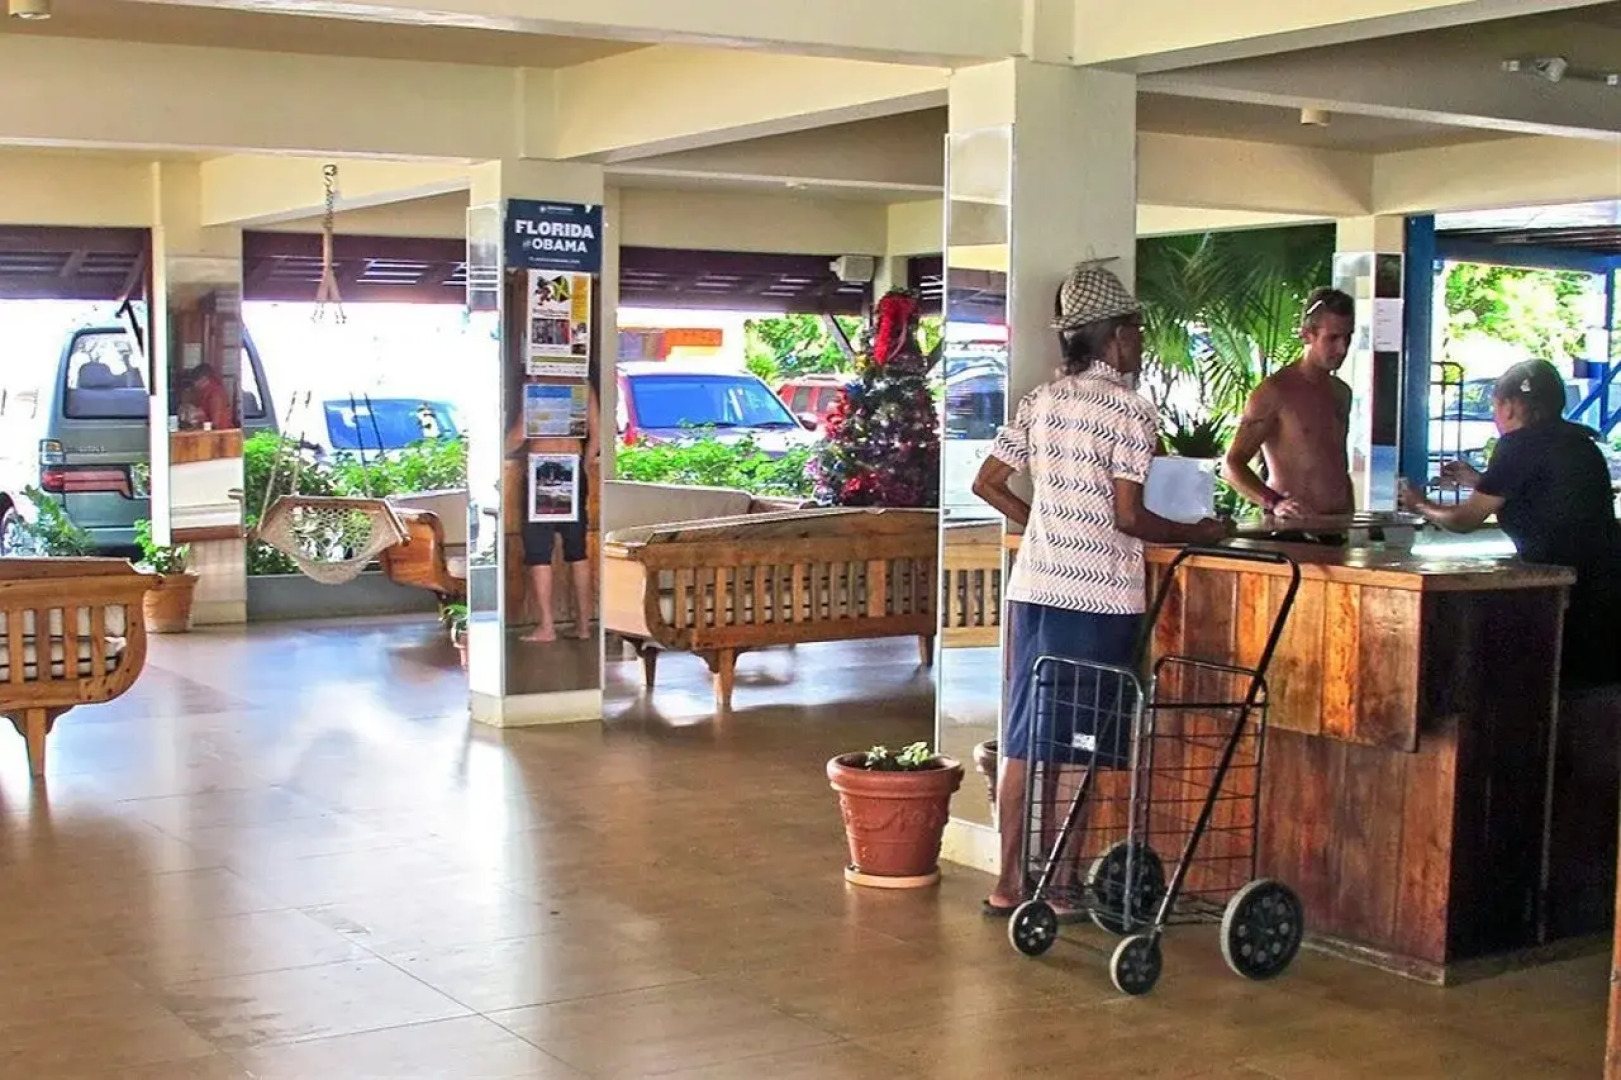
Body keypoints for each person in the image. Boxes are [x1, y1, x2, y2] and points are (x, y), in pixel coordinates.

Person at [972, 261, 1231, 918]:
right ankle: (1056, 888)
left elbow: (988, 482)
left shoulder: (1041, 400)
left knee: (1027, 741)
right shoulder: (1128, 410)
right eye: (1136, 333)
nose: (1140, 344)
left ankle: (1007, 884)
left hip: (1033, 592)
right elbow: (1127, 517)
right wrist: (1201, 530)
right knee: (1082, 746)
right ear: (1115, 336)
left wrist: (1045, 528)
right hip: (1099, 603)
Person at [1400, 359, 1621, 690]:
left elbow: (1464, 520)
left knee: (1550, 687)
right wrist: (1479, 480)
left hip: (1568, 590)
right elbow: (1536, 490)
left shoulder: (1520, 445)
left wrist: (1420, 504)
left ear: (1510, 407)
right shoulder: (1577, 442)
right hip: (1605, 584)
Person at [1223, 288, 1357, 519]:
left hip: (1337, 526)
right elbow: (1231, 465)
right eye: (1333, 338)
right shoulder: (1275, 392)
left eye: (1348, 337)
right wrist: (1274, 502)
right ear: (1307, 335)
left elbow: (1336, 464)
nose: (1342, 349)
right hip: (1290, 529)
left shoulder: (1341, 393)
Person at [507, 371, 600, 644]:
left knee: (539, 551)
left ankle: (547, 626)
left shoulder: (536, 384)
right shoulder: (582, 383)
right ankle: (583, 626)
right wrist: (580, 467)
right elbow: (596, 436)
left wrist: (499, 449)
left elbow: (518, 435)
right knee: (577, 550)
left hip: (543, 468)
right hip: (572, 466)